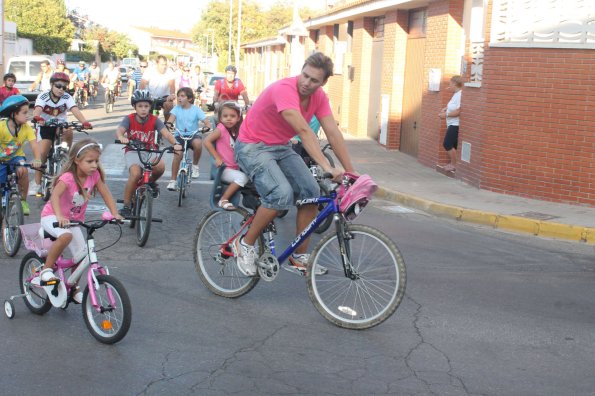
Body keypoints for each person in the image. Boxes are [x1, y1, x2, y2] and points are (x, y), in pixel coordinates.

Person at [233, 52, 355, 276]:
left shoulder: (319, 98)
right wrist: (328, 168)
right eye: (305, 76)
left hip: (279, 146)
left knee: (310, 191)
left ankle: (299, 257)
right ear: (301, 70)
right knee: (281, 194)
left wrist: (350, 172)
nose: (307, 83)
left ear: (323, 82)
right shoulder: (284, 89)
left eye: (314, 80)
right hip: (252, 146)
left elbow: (332, 132)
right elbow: (303, 131)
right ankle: (245, 243)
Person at [37, 139, 123, 303]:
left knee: (82, 256)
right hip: (52, 216)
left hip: (73, 221)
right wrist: (60, 216)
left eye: (96, 161)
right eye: (89, 161)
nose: (94, 165)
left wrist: (115, 213)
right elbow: (54, 196)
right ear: (77, 160)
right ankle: (46, 269)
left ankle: (73, 288)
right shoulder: (68, 177)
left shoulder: (94, 175)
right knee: (66, 236)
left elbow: (105, 193)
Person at [115, 89, 180, 217]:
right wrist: (122, 137)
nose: (143, 109)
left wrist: (175, 144)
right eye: (140, 106)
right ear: (134, 107)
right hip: (133, 150)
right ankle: (127, 205)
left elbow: (166, 133)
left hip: (150, 150)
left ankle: (150, 182)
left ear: (150, 106)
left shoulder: (155, 120)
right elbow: (120, 130)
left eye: (146, 106)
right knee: (135, 174)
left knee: (160, 167)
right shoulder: (129, 119)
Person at [29, 72, 93, 196]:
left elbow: (75, 110)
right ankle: (37, 184)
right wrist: (37, 117)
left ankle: (64, 152)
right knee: (42, 154)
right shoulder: (43, 96)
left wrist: (84, 122)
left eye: (64, 87)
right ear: (52, 85)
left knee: (68, 129)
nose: (61, 89)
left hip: (60, 126)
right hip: (45, 126)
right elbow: (37, 109)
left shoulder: (67, 97)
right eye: (58, 86)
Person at [0, 95, 42, 215]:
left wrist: (37, 159)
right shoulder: (1, 127)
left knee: (23, 170)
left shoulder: (26, 128)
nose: (28, 114)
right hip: (1, 159)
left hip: (16, 157)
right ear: (13, 114)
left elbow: (34, 145)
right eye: (24, 112)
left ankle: (23, 200)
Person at [203, 101, 248, 210]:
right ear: (220, 118)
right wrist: (217, 157)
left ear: (238, 118)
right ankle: (223, 199)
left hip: (234, 169)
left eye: (232, 116)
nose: (228, 118)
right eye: (225, 116)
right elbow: (207, 141)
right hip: (224, 170)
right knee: (243, 178)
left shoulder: (236, 131)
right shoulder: (221, 129)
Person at [165, 87, 210, 191]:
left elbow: (207, 122)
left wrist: (206, 126)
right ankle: (172, 181)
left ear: (189, 99)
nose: (179, 98)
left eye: (182, 96)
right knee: (178, 154)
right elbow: (170, 120)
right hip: (179, 135)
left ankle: (195, 166)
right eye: (178, 96)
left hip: (193, 135)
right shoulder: (176, 109)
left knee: (198, 143)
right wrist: (169, 124)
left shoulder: (196, 110)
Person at [439, 75, 463, 172]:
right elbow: (453, 107)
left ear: (454, 84)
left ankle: (454, 164)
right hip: (451, 124)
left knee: (447, 144)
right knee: (454, 145)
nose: (449, 85)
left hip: (455, 124)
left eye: (450, 83)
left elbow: (459, 111)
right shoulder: (455, 94)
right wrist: (446, 108)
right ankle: (455, 164)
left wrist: (446, 114)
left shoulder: (460, 94)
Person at [140, 55, 175, 121]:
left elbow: (172, 85)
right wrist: (142, 96)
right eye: (162, 65)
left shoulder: (169, 71)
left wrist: (172, 95)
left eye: (165, 65)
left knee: (169, 105)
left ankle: (167, 124)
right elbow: (142, 84)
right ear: (157, 64)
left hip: (165, 96)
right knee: (154, 115)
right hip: (152, 97)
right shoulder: (149, 71)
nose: (164, 67)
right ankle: (154, 124)